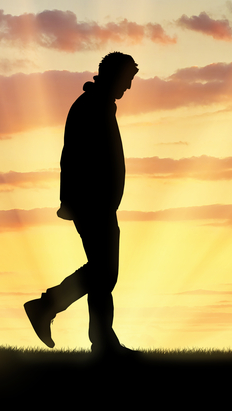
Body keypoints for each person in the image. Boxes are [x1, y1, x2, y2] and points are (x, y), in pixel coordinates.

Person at [24, 52, 138, 356]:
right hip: (92, 204)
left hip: (97, 204)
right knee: (103, 272)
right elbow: (76, 159)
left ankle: (101, 341)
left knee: (103, 273)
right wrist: (78, 201)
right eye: (126, 81)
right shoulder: (91, 107)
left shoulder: (98, 105)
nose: (127, 88)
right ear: (113, 76)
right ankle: (48, 307)